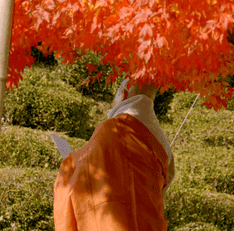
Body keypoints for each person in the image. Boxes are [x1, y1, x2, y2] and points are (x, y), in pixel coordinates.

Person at [54, 78, 176, 231]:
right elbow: (163, 189)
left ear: (124, 93)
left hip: (111, 219)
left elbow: (92, 161)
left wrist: (70, 162)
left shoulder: (113, 127)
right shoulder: (160, 139)